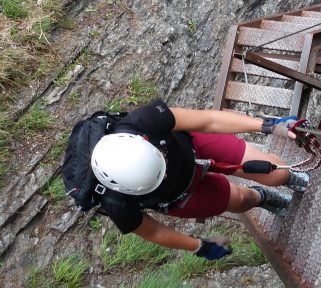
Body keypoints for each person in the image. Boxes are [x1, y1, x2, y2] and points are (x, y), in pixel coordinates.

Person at [89, 98, 309, 260]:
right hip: (178, 196)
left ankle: (286, 177)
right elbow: (154, 231)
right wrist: (198, 246)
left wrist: (268, 125)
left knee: (277, 174)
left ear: (144, 142)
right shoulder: (116, 203)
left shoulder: (144, 121)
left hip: (193, 146)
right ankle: (261, 197)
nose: (164, 174)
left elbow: (209, 121)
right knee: (242, 199)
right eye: (155, 178)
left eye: (160, 164)